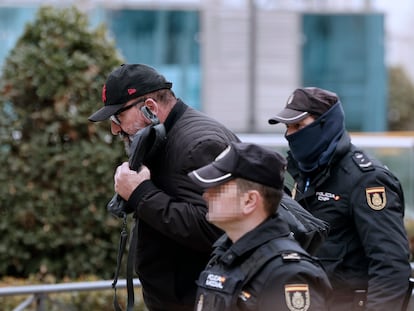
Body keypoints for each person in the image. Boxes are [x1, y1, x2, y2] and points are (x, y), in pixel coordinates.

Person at [88, 64, 240, 311]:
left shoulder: (199, 144)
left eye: (118, 117)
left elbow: (217, 230)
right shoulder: (163, 136)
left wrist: (140, 194)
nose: (115, 129)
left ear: (150, 108)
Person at [268, 87, 412, 311]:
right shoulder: (303, 175)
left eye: (298, 126)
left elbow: (391, 266)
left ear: (326, 124)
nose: (290, 135)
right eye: (288, 127)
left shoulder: (366, 179)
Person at [188, 141, 332, 311]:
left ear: (249, 201)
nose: (206, 195)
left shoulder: (288, 274)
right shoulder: (225, 255)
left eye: (218, 189)